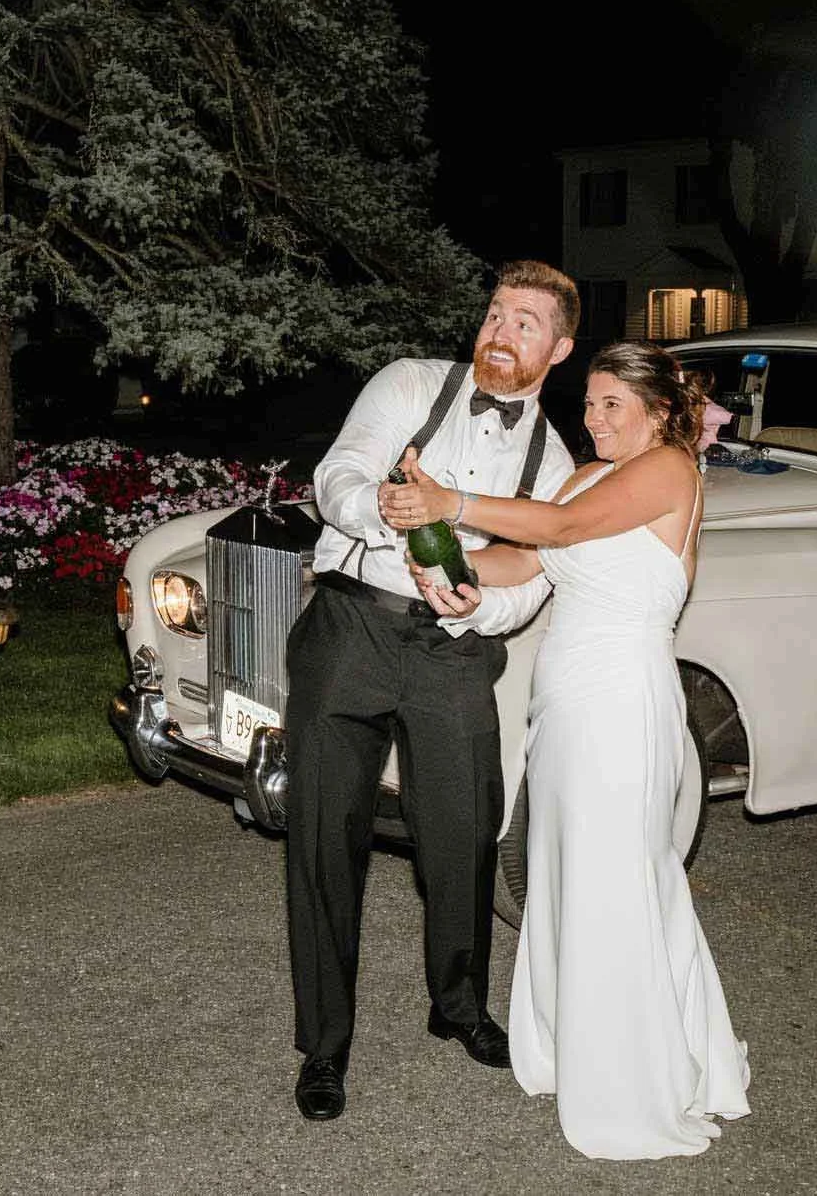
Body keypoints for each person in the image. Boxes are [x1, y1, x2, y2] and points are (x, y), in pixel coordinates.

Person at [382, 340, 750, 1160]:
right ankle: (576, 1047)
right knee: (564, 870)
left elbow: (564, 526)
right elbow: (533, 554)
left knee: (617, 875)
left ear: (658, 411)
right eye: (588, 403)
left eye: (612, 403)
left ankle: (631, 1076)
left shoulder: (669, 470)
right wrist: (454, 567)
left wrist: (453, 499)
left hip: (622, 698)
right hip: (566, 703)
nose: (593, 417)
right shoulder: (587, 473)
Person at [283, 260, 580, 1122]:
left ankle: (457, 1005)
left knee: (463, 831)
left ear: (558, 348)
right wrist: (388, 511)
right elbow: (336, 476)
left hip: (454, 651)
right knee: (324, 835)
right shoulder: (411, 381)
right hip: (352, 627)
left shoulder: (555, 461)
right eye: (496, 312)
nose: (502, 329)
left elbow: (538, 573)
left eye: (527, 322)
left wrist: (481, 598)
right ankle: (325, 1045)